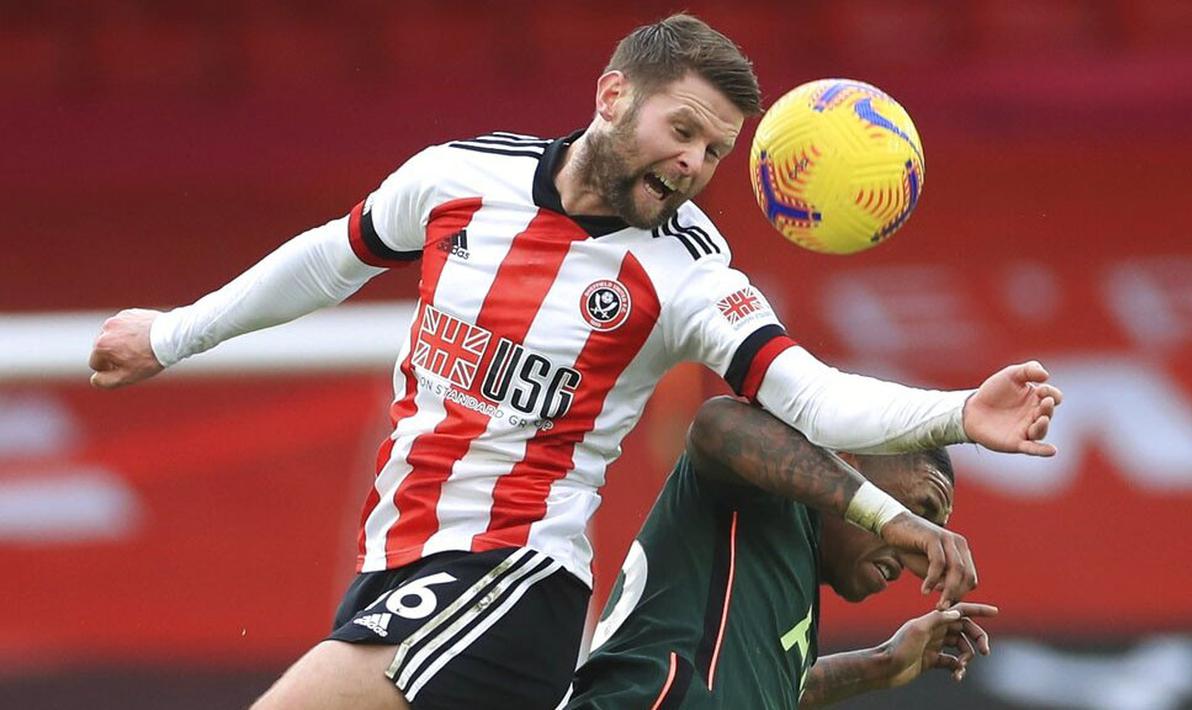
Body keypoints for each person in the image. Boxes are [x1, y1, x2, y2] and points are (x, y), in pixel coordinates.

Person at [87, 13, 1058, 710]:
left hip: (512, 579)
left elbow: (806, 393)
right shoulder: (462, 178)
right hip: (396, 567)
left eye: (714, 152)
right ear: (611, 95)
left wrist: (958, 409)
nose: (690, 166)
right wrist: (170, 336)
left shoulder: (685, 271)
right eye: (681, 131)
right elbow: (332, 257)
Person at [569, 397, 997, 708]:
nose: (911, 551)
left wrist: (883, 663)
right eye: (919, 513)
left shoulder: (790, 587)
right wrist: (890, 518)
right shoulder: (766, 496)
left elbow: (765, 689)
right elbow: (716, 424)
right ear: (847, 463)